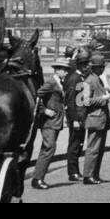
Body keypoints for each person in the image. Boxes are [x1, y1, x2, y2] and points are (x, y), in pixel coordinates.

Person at [29, 61, 69, 189]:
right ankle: (37, 179)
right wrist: (44, 110)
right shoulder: (51, 83)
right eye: (64, 69)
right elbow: (36, 95)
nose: (66, 72)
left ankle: (38, 178)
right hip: (48, 122)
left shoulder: (59, 82)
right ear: (57, 70)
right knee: (49, 148)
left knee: (48, 149)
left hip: (55, 121)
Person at [80, 53, 110, 184]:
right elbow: (85, 101)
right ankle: (88, 175)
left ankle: (94, 174)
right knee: (93, 149)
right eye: (101, 66)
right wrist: (103, 98)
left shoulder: (97, 79)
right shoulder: (89, 81)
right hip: (95, 118)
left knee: (99, 149)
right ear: (96, 67)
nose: (103, 69)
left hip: (101, 119)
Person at [62, 50, 88, 182]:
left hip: (81, 116)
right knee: (74, 145)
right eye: (85, 64)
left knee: (78, 144)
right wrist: (75, 120)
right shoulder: (75, 78)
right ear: (80, 65)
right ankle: (73, 172)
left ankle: (75, 171)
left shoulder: (80, 77)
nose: (87, 67)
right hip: (76, 117)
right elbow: (71, 100)